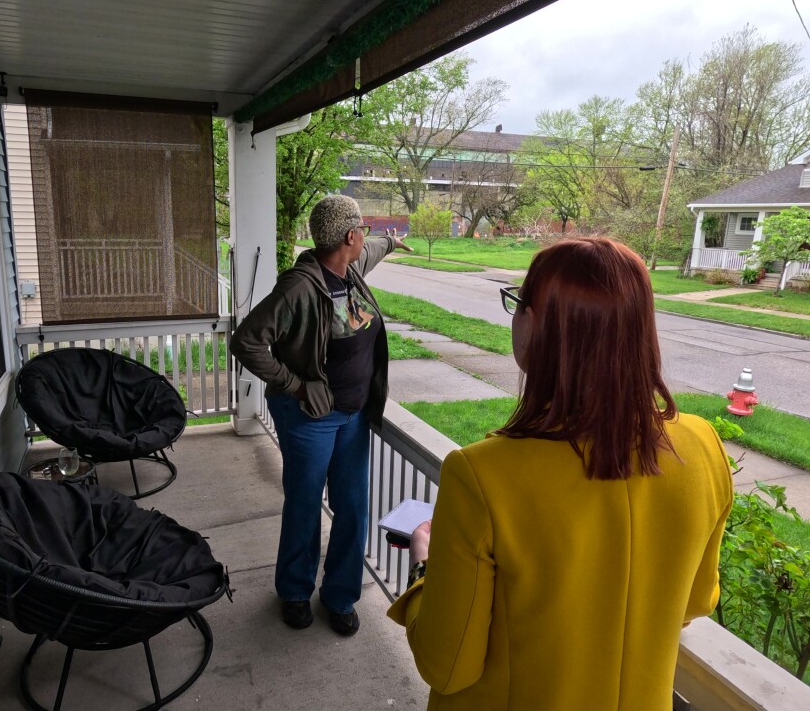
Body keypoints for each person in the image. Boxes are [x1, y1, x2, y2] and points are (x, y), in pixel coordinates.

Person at [388, 237, 733, 710]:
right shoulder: (702, 446)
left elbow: (447, 665)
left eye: (517, 303)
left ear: (533, 324)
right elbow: (695, 602)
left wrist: (425, 566)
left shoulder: (482, 475)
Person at [232, 195, 413, 636]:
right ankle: (294, 591)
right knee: (305, 503)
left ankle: (340, 595)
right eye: (363, 232)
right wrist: (295, 385)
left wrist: (390, 241)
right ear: (349, 236)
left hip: (354, 416)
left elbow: (376, 249)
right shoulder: (298, 287)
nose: (365, 239)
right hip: (310, 417)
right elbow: (247, 341)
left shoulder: (350, 267)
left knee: (352, 507)